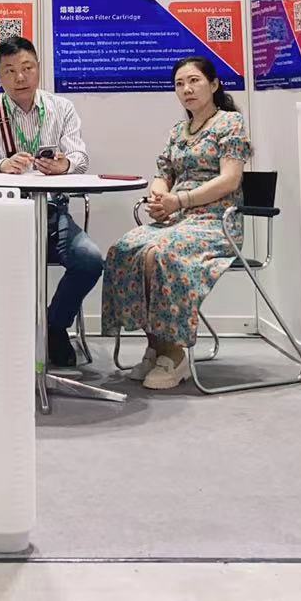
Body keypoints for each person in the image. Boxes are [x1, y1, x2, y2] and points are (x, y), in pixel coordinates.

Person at [101, 55, 251, 391]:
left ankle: (174, 354)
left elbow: (230, 180)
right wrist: (159, 199)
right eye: (180, 84)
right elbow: (163, 174)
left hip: (215, 221)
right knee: (123, 249)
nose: (187, 89)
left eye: (194, 81)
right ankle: (155, 347)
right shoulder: (177, 132)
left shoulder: (230, 123)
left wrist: (180, 200)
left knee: (159, 254)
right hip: (178, 219)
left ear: (214, 84)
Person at [0, 36, 103, 369]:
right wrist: (1, 165)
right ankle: (9, 336)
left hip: (53, 214)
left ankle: (54, 326)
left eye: (27, 68)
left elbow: (80, 157)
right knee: (1, 268)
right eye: (10, 70)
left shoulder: (61, 108)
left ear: (39, 68)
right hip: (4, 215)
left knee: (89, 260)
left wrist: (64, 165)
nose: (20, 77)